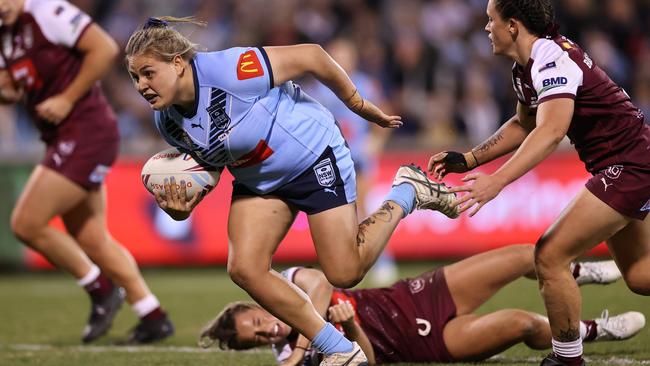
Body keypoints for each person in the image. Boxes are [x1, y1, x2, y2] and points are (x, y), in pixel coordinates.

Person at [124, 16, 458, 366]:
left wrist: (358, 105)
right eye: (135, 78)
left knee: (345, 272)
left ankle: (407, 191)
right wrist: (183, 208)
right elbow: (211, 165)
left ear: (177, 63)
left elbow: (312, 56)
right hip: (259, 179)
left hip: (313, 154)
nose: (141, 85)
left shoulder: (229, 69)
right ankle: (340, 350)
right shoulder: (167, 123)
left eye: (148, 73)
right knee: (244, 268)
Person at [428, 1, 650, 365]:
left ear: (512, 26)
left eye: (491, 20)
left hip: (629, 166)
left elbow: (551, 131)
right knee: (641, 276)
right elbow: (524, 125)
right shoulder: (525, 68)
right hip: (630, 163)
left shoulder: (550, 59)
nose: (486, 28)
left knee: (548, 256)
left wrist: (496, 182)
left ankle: (567, 359)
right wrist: (469, 159)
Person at [0, 0, 173, 344]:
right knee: (93, 238)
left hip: (85, 130)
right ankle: (152, 315)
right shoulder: (8, 35)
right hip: (62, 135)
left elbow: (103, 48)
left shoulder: (47, 11)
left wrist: (66, 98)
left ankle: (100, 287)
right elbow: (13, 88)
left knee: (26, 223)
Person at [200, 244, 644, 365]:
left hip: (416, 295)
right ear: (255, 348)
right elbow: (367, 363)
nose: (267, 329)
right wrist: (350, 329)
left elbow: (317, 281)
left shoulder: (288, 297)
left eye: (257, 320)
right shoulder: (294, 364)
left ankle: (577, 272)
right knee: (522, 324)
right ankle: (593, 330)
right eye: (257, 336)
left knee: (520, 256)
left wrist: (303, 336)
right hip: (421, 344)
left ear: (255, 305)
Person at [302, 37, 398, 286]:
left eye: (345, 55)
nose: (342, 61)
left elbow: (386, 112)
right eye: (337, 56)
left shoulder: (365, 84)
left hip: (357, 156)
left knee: (363, 209)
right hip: (331, 157)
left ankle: (383, 262)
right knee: (336, 214)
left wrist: (376, 142)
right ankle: (339, 262)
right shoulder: (317, 89)